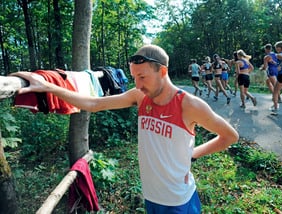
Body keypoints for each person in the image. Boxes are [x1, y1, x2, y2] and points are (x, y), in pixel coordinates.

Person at [11, 44, 239, 214]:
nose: (137, 85)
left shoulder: (189, 105)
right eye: (133, 77)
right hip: (152, 197)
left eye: (142, 77)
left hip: (179, 201)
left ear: (162, 72)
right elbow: (93, 103)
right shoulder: (140, 97)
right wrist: (48, 86)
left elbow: (230, 135)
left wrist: (194, 153)